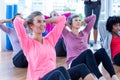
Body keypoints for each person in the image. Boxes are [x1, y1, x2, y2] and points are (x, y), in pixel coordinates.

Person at [13, 11, 95, 80]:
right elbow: (17, 21)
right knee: (60, 71)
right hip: (40, 78)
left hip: (55, 75)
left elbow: (62, 19)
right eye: (39, 21)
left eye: (43, 21)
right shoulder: (27, 43)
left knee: (82, 67)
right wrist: (27, 22)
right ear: (31, 25)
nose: (42, 24)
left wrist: (45, 21)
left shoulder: (49, 40)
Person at [62, 14, 119, 80]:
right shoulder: (67, 34)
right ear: (70, 23)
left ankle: (113, 76)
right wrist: (67, 24)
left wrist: (83, 22)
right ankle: (100, 77)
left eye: (79, 20)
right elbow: (60, 21)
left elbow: (94, 17)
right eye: (76, 20)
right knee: (88, 52)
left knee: (102, 51)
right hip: (74, 64)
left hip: (88, 63)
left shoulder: (85, 32)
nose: (78, 21)